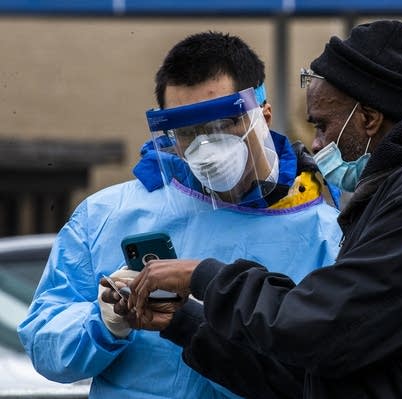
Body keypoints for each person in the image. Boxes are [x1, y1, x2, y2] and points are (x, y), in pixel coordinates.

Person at [118, 20, 402, 398]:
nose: (315, 146)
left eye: (322, 125)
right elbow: (313, 376)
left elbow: (319, 325)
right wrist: (184, 324)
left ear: (367, 118)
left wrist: (202, 275)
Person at [17, 32, 342, 399]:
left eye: (223, 125)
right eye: (188, 133)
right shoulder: (107, 215)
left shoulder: (323, 234)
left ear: (262, 115)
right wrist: (105, 321)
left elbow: (324, 372)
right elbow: (44, 343)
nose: (207, 147)